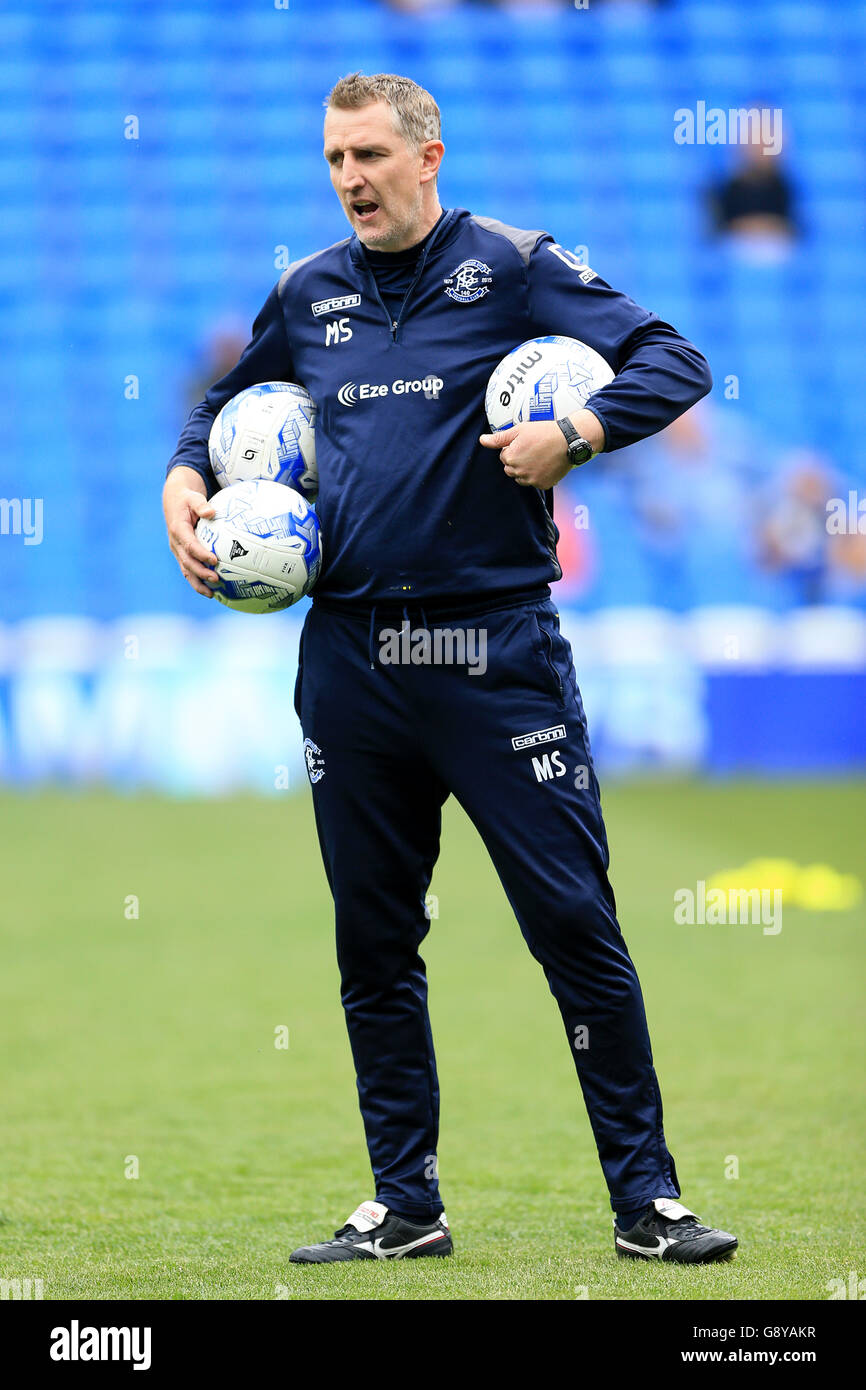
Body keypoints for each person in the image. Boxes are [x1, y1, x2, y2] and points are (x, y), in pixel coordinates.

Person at [163, 71, 738, 1265]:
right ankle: (405, 1203)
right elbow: (217, 412)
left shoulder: (516, 267)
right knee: (372, 942)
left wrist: (573, 433)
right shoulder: (306, 290)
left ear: (428, 156)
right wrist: (183, 480)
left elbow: (672, 361)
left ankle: (649, 1202)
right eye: (333, 159)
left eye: (369, 154)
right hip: (350, 659)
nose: (349, 178)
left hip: (493, 650)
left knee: (572, 923)